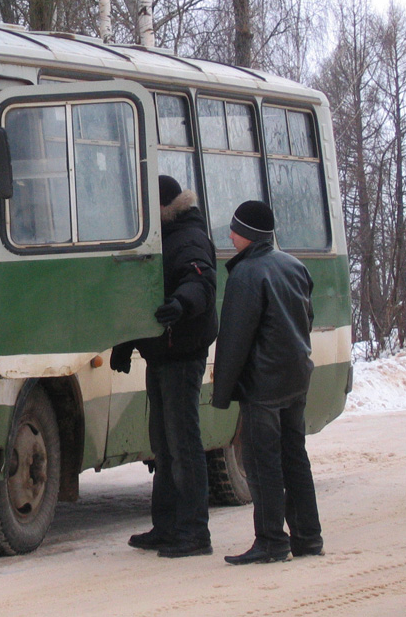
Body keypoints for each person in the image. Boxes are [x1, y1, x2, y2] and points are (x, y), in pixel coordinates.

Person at [212, 200, 324, 565]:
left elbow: (235, 339)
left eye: (235, 230)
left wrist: (222, 389)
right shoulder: (294, 265)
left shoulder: (246, 275)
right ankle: (308, 537)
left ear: (249, 235)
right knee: (295, 457)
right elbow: (306, 317)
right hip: (296, 377)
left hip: (263, 385)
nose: (230, 235)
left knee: (262, 463)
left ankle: (272, 541)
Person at [121, 175, 218, 558]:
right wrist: (128, 343)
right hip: (163, 353)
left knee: (183, 445)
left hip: (182, 353)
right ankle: (166, 526)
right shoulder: (161, 238)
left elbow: (201, 281)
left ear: (162, 208)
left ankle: (195, 532)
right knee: (163, 444)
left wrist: (182, 304)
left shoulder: (187, 238)